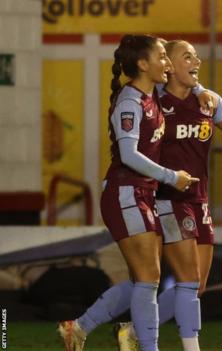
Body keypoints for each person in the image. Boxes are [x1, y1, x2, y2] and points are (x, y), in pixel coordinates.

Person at [113, 39, 222, 351]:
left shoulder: (209, 101)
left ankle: (135, 331)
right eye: (186, 56)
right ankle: (190, 346)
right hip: (168, 198)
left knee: (197, 285)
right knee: (189, 278)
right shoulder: (154, 100)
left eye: (196, 56)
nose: (196, 61)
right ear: (169, 66)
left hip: (198, 199)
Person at [57, 34, 197, 351]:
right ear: (142, 64)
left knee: (142, 279)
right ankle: (147, 346)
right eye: (162, 56)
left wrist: (203, 95)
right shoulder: (130, 101)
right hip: (126, 194)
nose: (168, 62)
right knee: (149, 279)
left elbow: (185, 89)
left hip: (141, 195)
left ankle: (77, 328)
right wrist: (171, 176)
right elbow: (130, 154)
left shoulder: (152, 96)